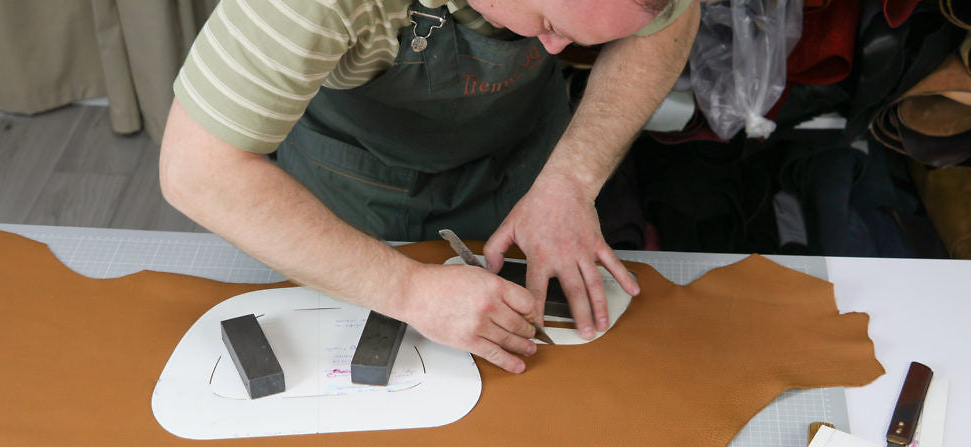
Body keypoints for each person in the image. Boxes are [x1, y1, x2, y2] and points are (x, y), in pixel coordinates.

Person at [160, 0, 700, 373]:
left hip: (525, 159)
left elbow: (669, 20)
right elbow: (197, 171)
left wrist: (572, 178)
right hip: (355, 185)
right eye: (547, 23)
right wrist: (407, 290)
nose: (557, 49)